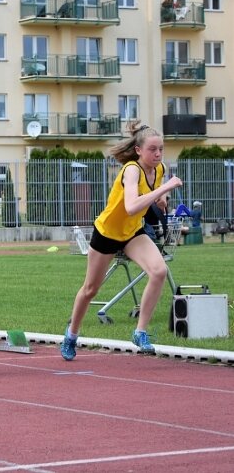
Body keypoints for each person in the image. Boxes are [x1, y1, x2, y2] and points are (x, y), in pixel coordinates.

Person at [60, 122, 183, 361]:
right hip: (107, 233)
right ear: (138, 150)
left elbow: (156, 190)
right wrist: (164, 189)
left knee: (159, 271)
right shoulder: (131, 170)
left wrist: (162, 196)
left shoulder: (159, 169)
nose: (158, 154)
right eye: (152, 150)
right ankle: (71, 335)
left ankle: (140, 332)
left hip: (132, 233)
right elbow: (130, 206)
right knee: (90, 289)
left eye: (161, 150)